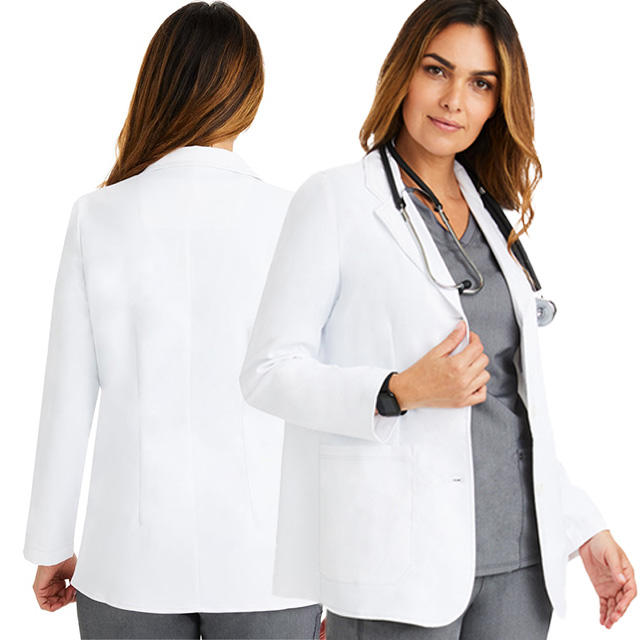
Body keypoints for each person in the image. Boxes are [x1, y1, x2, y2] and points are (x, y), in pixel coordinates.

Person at [239, 0, 636, 638]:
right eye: (436, 70)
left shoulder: (494, 217)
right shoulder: (336, 200)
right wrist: (396, 391)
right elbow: (266, 372)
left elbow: (511, 406)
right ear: (404, 72)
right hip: (398, 562)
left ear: (498, 102)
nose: (454, 99)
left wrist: (583, 525)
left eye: (481, 83)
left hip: (520, 564)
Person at [23, 2, 322, 638]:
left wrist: (51, 543)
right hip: (269, 561)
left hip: (127, 560)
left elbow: (66, 401)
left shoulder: (97, 216)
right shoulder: (293, 215)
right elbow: (322, 401)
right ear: (249, 95)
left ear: (156, 84)